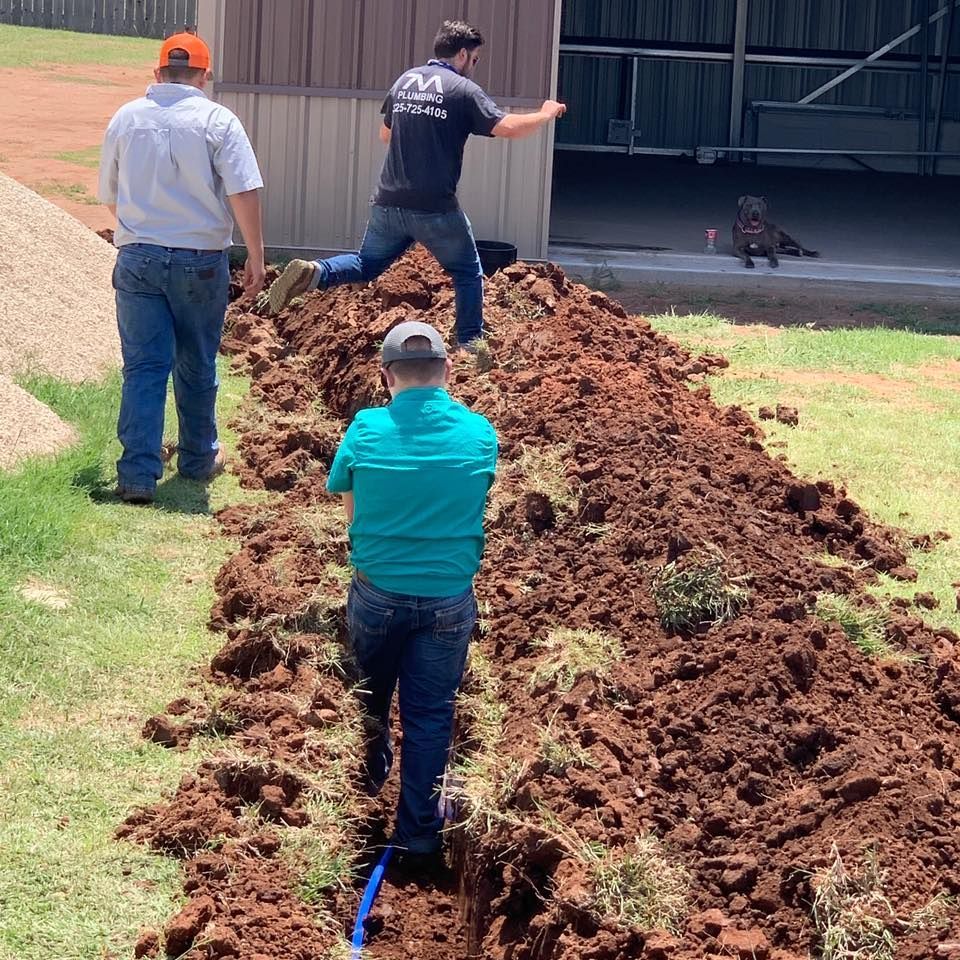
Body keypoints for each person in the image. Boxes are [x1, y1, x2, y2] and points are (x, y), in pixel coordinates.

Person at [266, 19, 567, 348]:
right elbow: (507, 127)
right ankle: (470, 345)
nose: (474, 66)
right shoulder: (462, 90)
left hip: (388, 202)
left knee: (366, 264)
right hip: (434, 207)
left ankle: (315, 271)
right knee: (467, 272)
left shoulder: (405, 80)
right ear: (463, 54)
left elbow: (386, 134)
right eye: (475, 59)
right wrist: (545, 113)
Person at [327, 320, 498, 855]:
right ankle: (418, 833)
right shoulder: (480, 433)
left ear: (386, 376)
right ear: (448, 371)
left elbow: (351, 511)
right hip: (448, 598)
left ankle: (363, 783)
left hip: (377, 592)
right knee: (430, 714)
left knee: (368, 697)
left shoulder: (365, 429)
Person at [98, 32, 266, 505]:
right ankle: (197, 458)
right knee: (196, 361)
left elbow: (109, 194)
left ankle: (137, 473)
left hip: (138, 258)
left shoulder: (126, 118)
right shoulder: (218, 120)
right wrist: (255, 255)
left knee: (144, 366)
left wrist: (142, 230)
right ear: (204, 76)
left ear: (158, 72)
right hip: (200, 262)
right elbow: (243, 189)